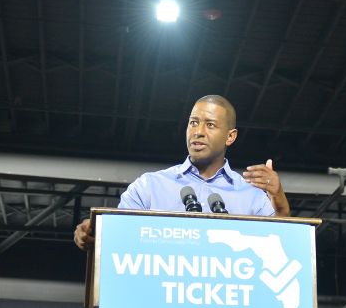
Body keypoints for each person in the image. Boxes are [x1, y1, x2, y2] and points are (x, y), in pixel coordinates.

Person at [73, 94, 291, 250]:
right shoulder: (149, 186)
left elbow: (280, 244)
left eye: (210, 125)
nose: (198, 132)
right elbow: (117, 237)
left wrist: (278, 196)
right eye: (193, 123)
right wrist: (93, 233)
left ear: (230, 136)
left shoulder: (251, 195)